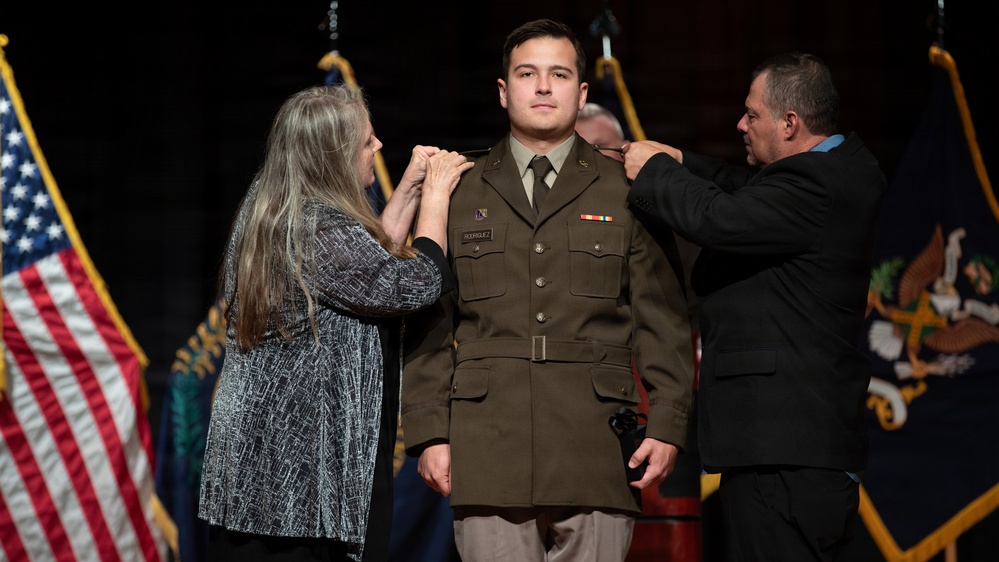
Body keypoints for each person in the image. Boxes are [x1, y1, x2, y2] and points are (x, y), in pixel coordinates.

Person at [402, 19, 694, 562]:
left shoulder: (628, 188)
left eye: (558, 74)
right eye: (527, 73)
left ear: (581, 93)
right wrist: (429, 433)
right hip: (490, 446)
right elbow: (431, 321)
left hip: (596, 446)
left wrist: (670, 423)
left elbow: (662, 317)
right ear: (502, 89)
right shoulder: (458, 190)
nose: (542, 87)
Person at [622, 52, 888, 561]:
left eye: (752, 114)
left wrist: (653, 171)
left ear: (790, 123)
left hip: (784, 456)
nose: (740, 124)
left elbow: (721, 217)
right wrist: (680, 160)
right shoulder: (839, 168)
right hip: (794, 452)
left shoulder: (816, 185)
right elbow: (741, 187)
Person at [198, 84, 473, 561]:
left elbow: (363, 274)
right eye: (367, 141)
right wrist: (436, 198)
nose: (379, 146)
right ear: (334, 155)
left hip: (269, 475)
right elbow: (412, 285)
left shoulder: (277, 204)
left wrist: (406, 188)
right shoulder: (311, 224)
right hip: (291, 485)